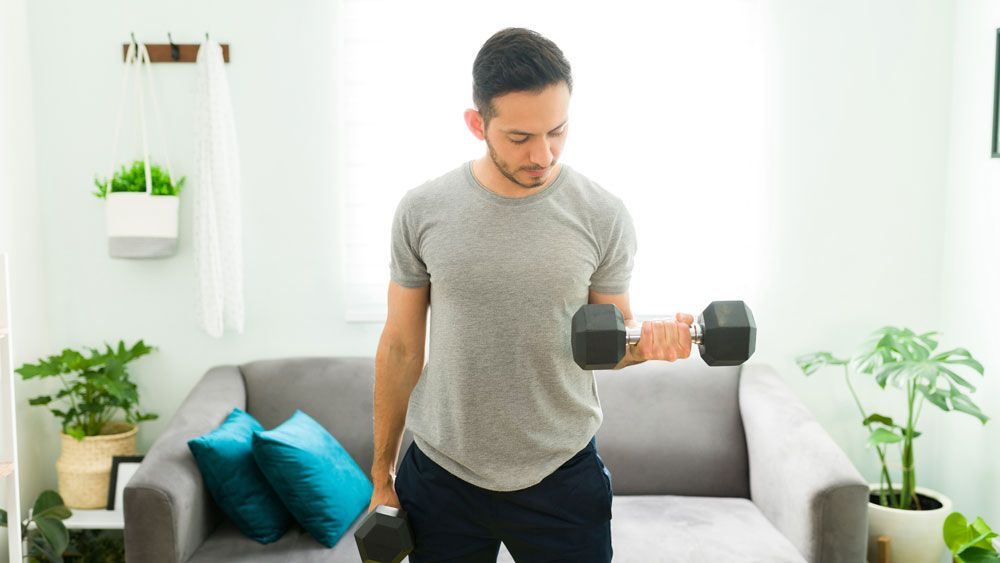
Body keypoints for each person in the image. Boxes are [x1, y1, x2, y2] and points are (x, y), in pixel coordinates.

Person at [367, 27, 694, 562]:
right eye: (520, 138)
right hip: (443, 474)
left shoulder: (602, 215)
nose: (543, 154)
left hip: (561, 475)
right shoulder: (422, 210)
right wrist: (382, 474)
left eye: (557, 131)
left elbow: (608, 344)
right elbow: (402, 346)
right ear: (478, 124)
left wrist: (653, 346)